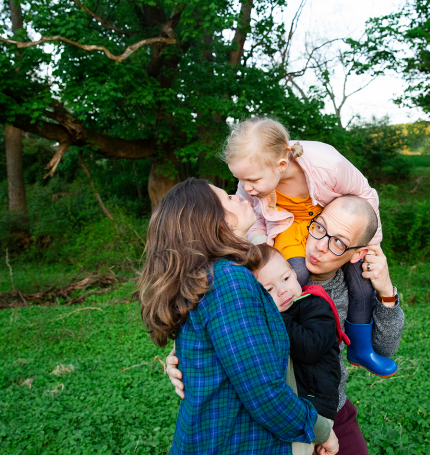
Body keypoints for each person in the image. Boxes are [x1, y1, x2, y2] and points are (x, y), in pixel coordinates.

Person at [167, 195, 405, 455]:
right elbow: (221, 318)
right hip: (276, 413)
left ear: (357, 253)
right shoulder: (265, 260)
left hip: (330, 405)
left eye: (338, 242)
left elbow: (383, 349)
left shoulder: (353, 286)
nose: (321, 246)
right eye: (320, 228)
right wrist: (179, 358)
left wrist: (386, 293)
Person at [136, 178, 338, 455]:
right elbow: (265, 394)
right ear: (219, 224)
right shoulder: (229, 280)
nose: (241, 197)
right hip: (238, 442)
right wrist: (322, 431)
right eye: (229, 198)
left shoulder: (210, 278)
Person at [223, 117, 396, 376]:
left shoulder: (328, 164)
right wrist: (262, 245)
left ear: (281, 165)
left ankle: (361, 348)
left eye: (252, 180)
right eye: (239, 179)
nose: (245, 188)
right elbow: (256, 220)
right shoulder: (250, 183)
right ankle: (281, 348)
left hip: (330, 225)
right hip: (288, 228)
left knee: (362, 282)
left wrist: (372, 244)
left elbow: (366, 196)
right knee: (295, 275)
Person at [254, 245, 350, 455]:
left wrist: (275, 317)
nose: (282, 291)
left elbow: (311, 347)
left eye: (286, 279)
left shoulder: (315, 304)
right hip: (291, 405)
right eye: (269, 290)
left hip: (316, 404)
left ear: (295, 274)